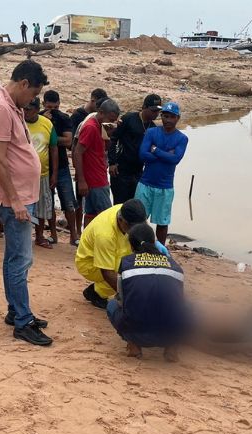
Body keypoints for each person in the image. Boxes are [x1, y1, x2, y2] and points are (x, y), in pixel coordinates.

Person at [0, 60, 53, 346]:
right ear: (24, 84)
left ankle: (16, 311)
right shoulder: (0, 107)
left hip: (22, 196)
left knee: (15, 257)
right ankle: (23, 321)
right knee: (20, 259)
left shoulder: (11, 105)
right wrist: (15, 201)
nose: (33, 100)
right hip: (15, 200)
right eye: (33, 94)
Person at [107, 223, 189, 362]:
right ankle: (172, 348)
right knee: (188, 308)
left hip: (137, 332)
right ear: (154, 243)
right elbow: (179, 301)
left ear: (131, 246)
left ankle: (134, 346)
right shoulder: (175, 265)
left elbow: (121, 300)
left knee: (112, 305)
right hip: (171, 333)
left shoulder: (127, 263)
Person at [75, 200, 148, 308]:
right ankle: (96, 293)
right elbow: (107, 273)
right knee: (125, 273)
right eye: (133, 227)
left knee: (136, 265)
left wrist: (153, 243)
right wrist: (128, 298)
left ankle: (99, 289)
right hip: (89, 262)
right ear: (121, 220)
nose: (136, 230)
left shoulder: (128, 210)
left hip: (113, 249)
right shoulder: (105, 235)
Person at [136, 102, 188, 245]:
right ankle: (137, 247)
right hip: (145, 183)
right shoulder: (152, 132)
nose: (168, 120)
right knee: (138, 219)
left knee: (162, 222)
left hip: (165, 186)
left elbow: (175, 159)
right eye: (165, 116)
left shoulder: (182, 138)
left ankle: (160, 250)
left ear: (177, 118)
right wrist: (165, 154)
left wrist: (155, 150)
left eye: (171, 117)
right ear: (161, 117)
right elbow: (142, 154)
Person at [73, 99, 120, 224]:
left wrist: (108, 133)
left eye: (114, 120)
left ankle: (87, 241)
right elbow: (78, 152)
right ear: (101, 112)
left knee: (91, 214)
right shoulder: (91, 127)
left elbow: (103, 148)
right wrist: (81, 181)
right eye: (110, 119)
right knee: (107, 217)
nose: (112, 122)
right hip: (96, 180)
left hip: (96, 178)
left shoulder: (100, 126)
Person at [108, 94, 161, 204]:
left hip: (138, 172)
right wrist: (112, 163)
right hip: (121, 171)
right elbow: (113, 139)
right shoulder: (129, 119)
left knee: (134, 206)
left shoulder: (153, 128)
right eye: (153, 110)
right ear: (144, 107)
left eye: (157, 111)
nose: (156, 113)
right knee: (119, 205)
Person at [41, 90, 78, 245]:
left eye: (55, 107)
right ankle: (53, 234)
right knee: (48, 203)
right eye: (50, 107)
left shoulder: (63, 118)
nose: (53, 111)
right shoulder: (38, 117)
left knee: (69, 202)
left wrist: (49, 135)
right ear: (44, 104)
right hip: (44, 167)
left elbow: (68, 141)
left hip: (62, 166)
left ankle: (74, 236)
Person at [24, 97, 58, 249]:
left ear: (37, 110)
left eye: (29, 109)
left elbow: (53, 148)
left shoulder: (47, 124)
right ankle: (23, 236)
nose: (26, 112)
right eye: (24, 108)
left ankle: (39, 236)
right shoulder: (19, 121)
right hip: (22, 174)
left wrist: (54, 173)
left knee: (42, 207)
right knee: (23, 206)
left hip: (42, 174)